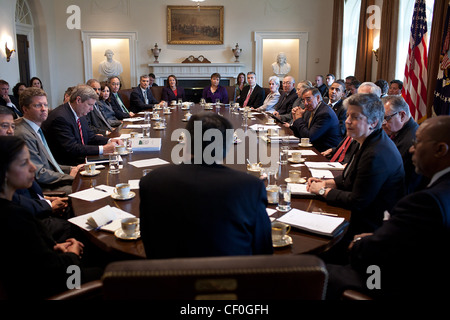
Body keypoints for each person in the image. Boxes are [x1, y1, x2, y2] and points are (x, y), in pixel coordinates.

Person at [326, 116, 450, 300]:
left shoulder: (426, 201)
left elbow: (376, 252)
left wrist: (360, 243)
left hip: (393, 282)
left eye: (418, 142)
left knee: (310, 269)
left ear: (440, 149)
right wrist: (378, 238)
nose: (411, 148)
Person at [139, 112, 273, 259]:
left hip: (168, 278)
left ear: (187, 141)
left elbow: (149, 244)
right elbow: (263, 251)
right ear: (227, 146)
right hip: (232, 279)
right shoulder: (251, 187)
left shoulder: (152, 182)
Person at [0, 136, 102, 299]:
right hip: (60, 287)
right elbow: (54, 273)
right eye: (24, 163)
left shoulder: (12, 207)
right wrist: (73, 255)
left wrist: (55, 247)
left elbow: (30, 256)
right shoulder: (16, 217)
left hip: (43, 272)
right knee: (106, 270)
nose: (33, 167)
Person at [306, 94, 405, 260]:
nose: (347, 121)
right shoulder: (368, 141)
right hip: (359, 215)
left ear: (374, 122)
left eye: (355, 117)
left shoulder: (376, 153)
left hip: (367, 228)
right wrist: (328, 182)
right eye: (347, 116)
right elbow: (350, 177)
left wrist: (323, 190)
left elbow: (358, 201)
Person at [14, 87, 81, 194]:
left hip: (52, 180)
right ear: (25, 109)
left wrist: (72, 169)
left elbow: (49, 164)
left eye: (45, 104)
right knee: (85, 187)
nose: (44, 109)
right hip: (44, 189)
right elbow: (38, 173)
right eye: (37, 105)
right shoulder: (23, 134)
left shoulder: (36, 128)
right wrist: (70, 176)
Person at [41, 84, 122, 166]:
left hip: (83, 160)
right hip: (69, 165)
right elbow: (72, 148)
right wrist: (103, 149)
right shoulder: (60, 117)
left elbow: (90, 137)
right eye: (90, 105)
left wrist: (109, 140)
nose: (91, 109)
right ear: (78, 100)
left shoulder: (80, 113)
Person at [382, 95, 426, 193]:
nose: (382, 123)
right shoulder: (397, 132)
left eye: (386, 118)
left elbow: (400, 182)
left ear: (402, 115)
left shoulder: (411, 140)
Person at [290, 88, 342, 152]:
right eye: (303, 100)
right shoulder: (310, 110)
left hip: (325, 153)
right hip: (313, 148)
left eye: (308, 99)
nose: (305, 103)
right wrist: (295, 117)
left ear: (318, 98)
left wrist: (299, 118)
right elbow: (299, 134)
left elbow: (308, 138)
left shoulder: (325, 113)